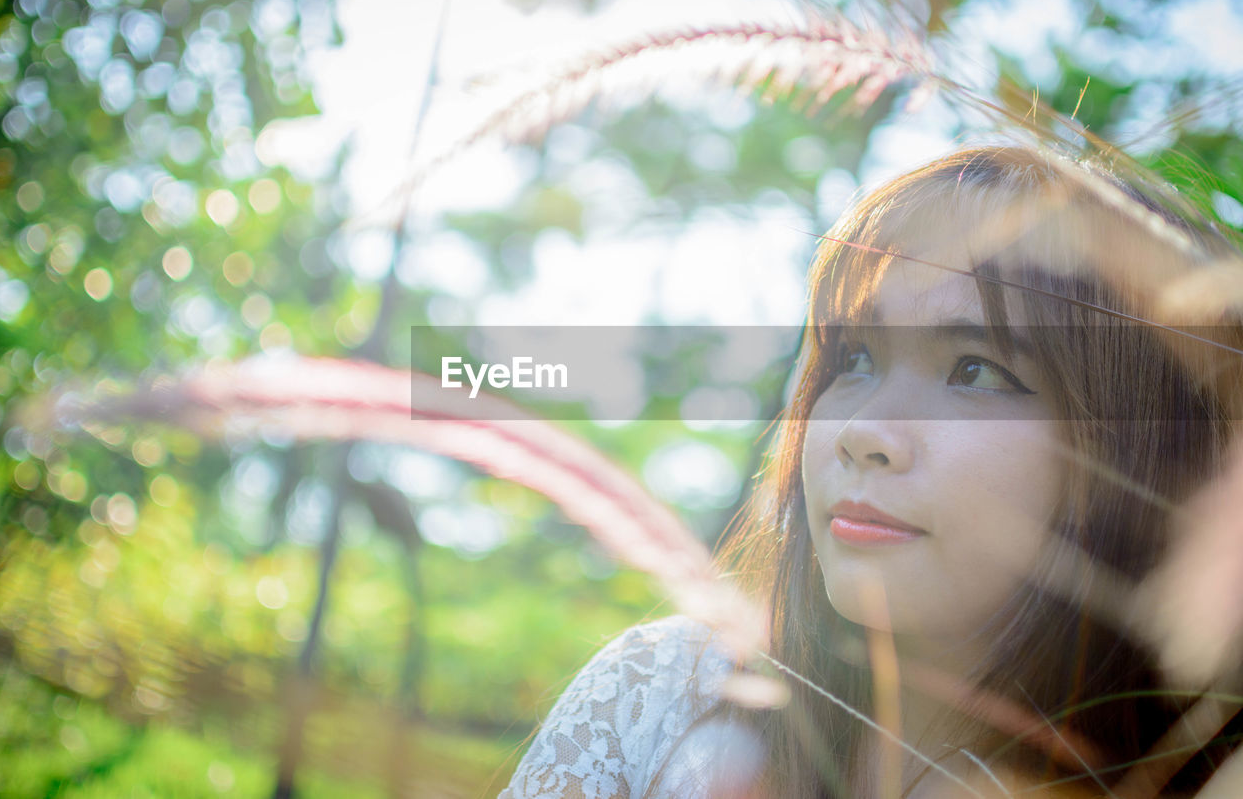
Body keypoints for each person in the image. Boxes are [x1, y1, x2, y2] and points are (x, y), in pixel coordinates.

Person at [498, 145, 1243, 798]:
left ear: (1128, 454)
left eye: (975, 369)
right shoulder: (659, 697)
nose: (860, 433)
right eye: (854, 359)